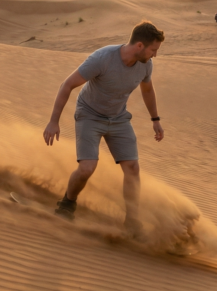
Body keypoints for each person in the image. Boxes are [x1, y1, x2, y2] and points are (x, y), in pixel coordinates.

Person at [43, 21, 165, 237]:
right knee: (87, 168)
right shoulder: (102, 58)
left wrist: (155, 119)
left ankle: (132, 221)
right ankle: (67, 204)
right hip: (89, 115)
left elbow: (147, 90)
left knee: (133, 168)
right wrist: (54, 121)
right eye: (153, 49)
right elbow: (67, 85)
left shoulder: (145, 65)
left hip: (118, 118)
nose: (155, 55)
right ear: (139, 46)